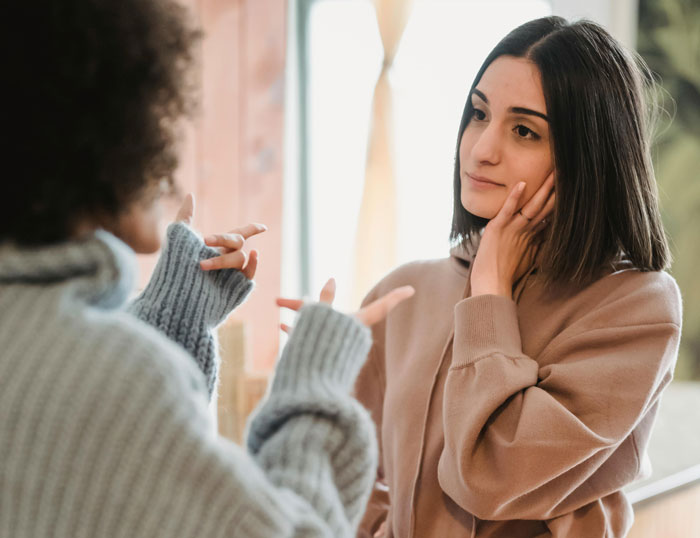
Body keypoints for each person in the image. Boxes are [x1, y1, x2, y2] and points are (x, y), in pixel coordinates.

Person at [0, 1, 413, 537]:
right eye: (158, 115)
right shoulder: (122, 383)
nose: (170, 154)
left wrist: (175, 314)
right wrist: (317, 380)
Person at [354, 16, 682, 538]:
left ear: (587, 158)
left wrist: (489, 296)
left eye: (524, 130)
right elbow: (338, 457)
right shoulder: (405, 293)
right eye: (479, 114)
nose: (481, 148)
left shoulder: (636, 309)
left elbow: (490, 478)